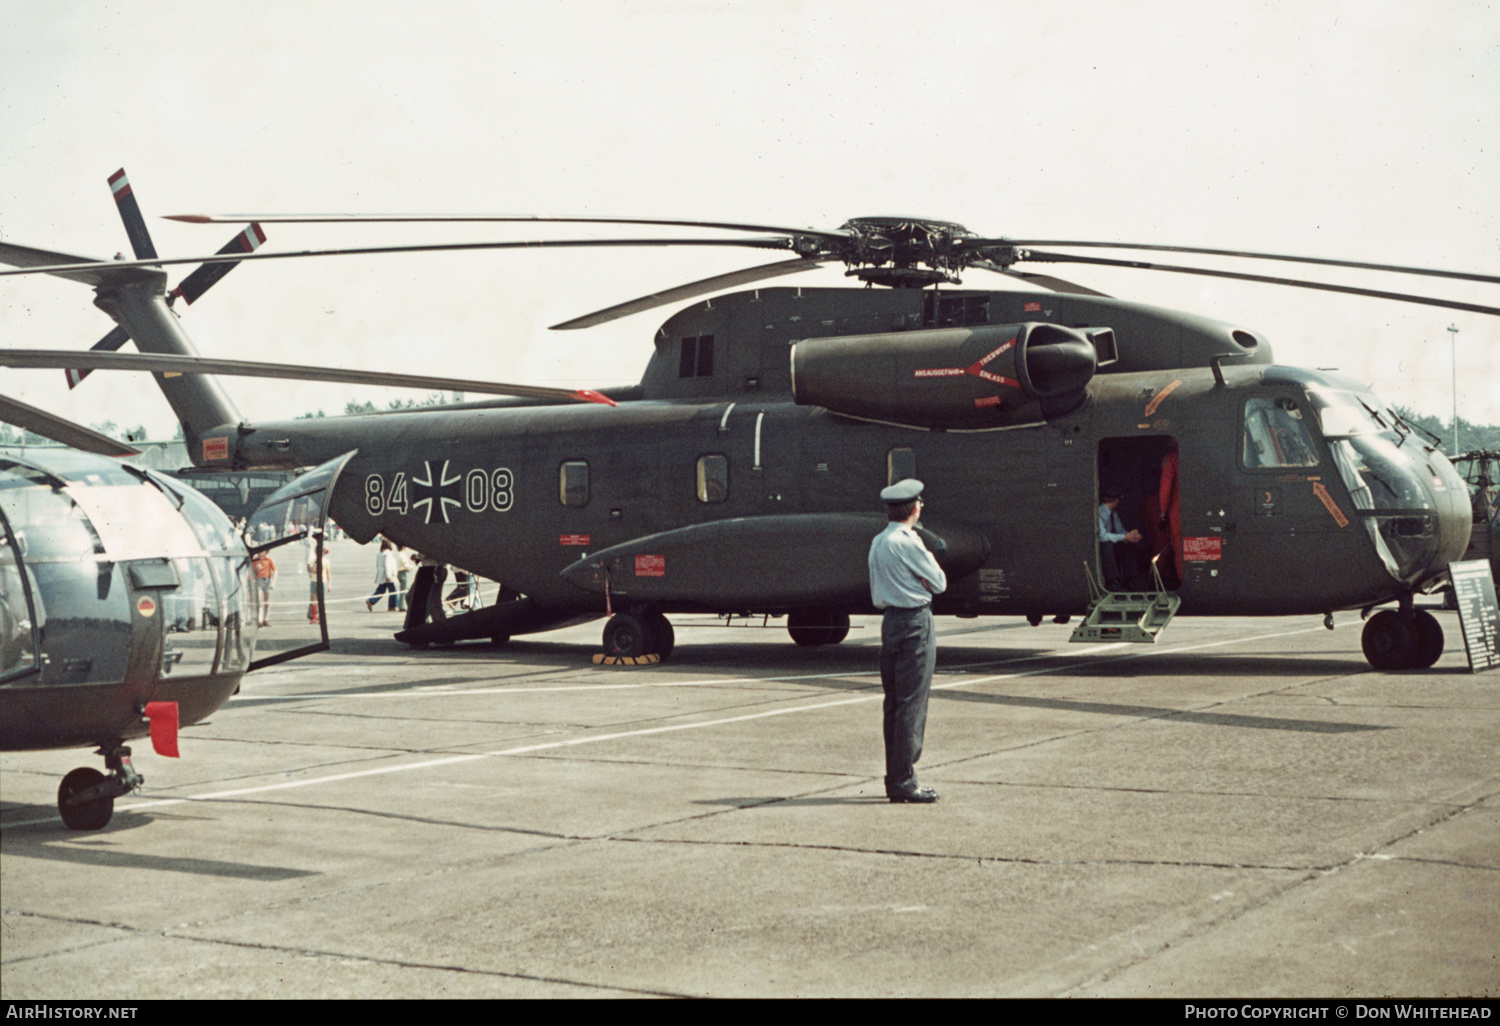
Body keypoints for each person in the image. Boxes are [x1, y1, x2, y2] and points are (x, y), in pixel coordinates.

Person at [867, 479, 947, 804]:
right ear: (914, 509)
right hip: (915, 622)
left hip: (891, 623)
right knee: (912, 704)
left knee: (895, 704)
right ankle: (904, 781)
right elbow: (939, 583)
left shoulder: (877, 541)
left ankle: (895, 779)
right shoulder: (908, 542)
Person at [1097, 490, 1142, 590]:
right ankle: (1112, 580)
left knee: (1129, 544)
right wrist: (1124, 537)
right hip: (1101, 547)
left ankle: (1129, 578)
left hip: (1113, 545)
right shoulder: (1097, 514)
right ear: (1116, 500)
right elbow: (1102, 536)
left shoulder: (1113, 514)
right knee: (1106, 545)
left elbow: (1119, 530)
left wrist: (1130, 536)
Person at [367, 539, 400, 612]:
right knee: (393, 591)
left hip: (381, 574)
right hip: (388, 575)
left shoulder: (380, 553)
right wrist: (388, 576)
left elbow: (378, 564)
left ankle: (371, 601)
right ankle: (393, 606)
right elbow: (387, 565)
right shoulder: (388, 554)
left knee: (381, 590)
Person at [251, 550, 276, 627]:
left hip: (267, 580)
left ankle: (266, 619)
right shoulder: (255, 559)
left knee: (267, 600)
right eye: (260, 552)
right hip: (258, 580)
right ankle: (260, 619)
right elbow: (250, 571)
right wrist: (256, 569)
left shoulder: (269, 559)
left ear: (266, 552)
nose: (261, 553)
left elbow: (275, 570)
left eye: (263, 552)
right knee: (259, 599)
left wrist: (273, 582)